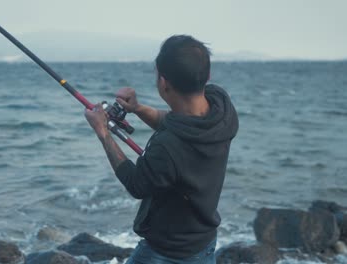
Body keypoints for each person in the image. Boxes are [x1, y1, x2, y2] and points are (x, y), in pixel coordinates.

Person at [84, 35, 239, 264]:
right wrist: (137, 108)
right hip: (203, 242)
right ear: (207, 76)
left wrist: (103, 133)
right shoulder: (221, 107)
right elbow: (177, 121)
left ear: (164, 83)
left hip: (165, 251)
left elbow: (136, 183)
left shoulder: (168, 146)